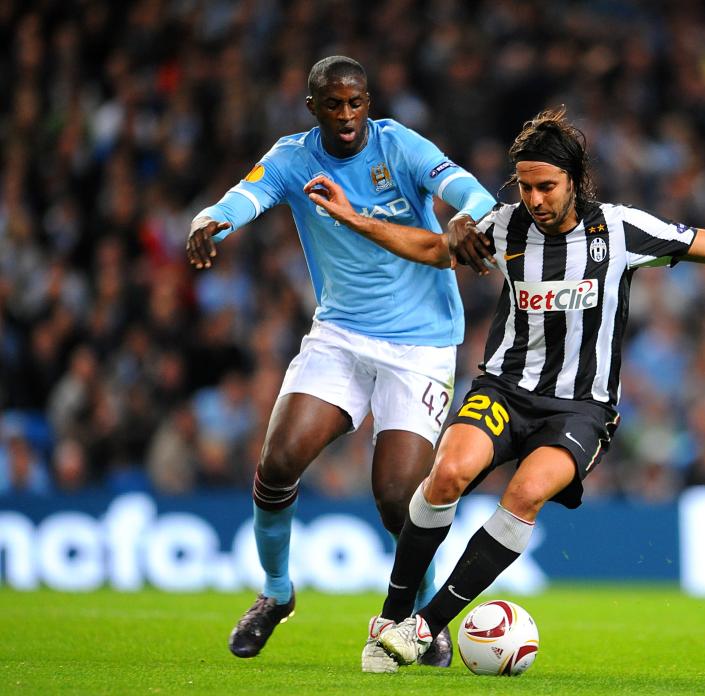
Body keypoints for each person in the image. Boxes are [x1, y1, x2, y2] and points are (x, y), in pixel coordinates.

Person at [305, 106, 705, 671]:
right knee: (449, 474)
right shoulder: (505, 225)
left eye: (546, 187)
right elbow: (433, 249)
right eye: (525, 186)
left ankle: (425, 626)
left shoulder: (620, 229)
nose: (533, 200)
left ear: (575, 180)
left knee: (527, 494)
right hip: (505, 388)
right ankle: (390, 615)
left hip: (582, 409)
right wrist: (355, 219)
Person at [186, 56, 496, 666]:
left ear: (369, 102)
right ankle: (276, 594)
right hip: (341, 336)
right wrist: (210, 222)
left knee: (396, 497)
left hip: (421, 345)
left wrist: (465, 216)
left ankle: (416, 616)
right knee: (279, 461)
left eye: (356, 103)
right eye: (334, 105)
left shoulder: (399, 146)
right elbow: (243, 197)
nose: (347, 115)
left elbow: (472, 192)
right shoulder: (293, 157)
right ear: (313, 108)